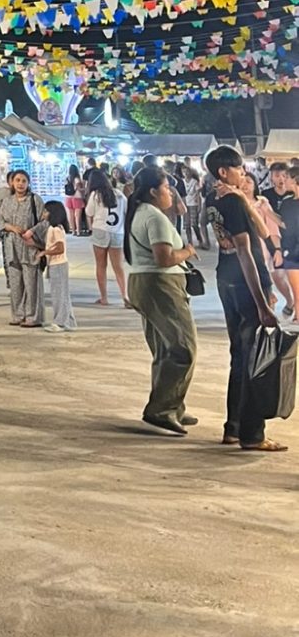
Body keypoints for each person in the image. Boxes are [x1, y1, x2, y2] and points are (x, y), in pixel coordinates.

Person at [205, 145, 284, 452]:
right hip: (243, 286)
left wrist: (242, 199)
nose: (243, 173)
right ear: (223, 171)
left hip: (226, 281)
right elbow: (243, 251)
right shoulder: (232, 202)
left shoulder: (217, 198)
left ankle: (233, 428)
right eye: (238, 169)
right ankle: (253, 434)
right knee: (254, 361)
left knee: (239, 356)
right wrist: (263, 304)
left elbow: (263, 232)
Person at [123, 163, 199, 436]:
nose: (170, 192)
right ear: (154, 191)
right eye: (167, 187)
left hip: (144, 283)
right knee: (182, 348)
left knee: (164, 350)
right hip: (160, 284)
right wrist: (188, 251)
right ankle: (162, 409)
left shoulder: (141, 212)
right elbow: (164, 258)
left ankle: (172, 405)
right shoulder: (153, 217)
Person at [0, 169, 46, 328]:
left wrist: (32, 232)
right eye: (17, 180)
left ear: (28, 183)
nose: (21, 184)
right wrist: (10, 227)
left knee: (31, 283)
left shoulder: (35, 200)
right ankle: (17, 314)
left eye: (24, 181)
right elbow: (0, 220)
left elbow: (45, 221)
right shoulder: (7, 201)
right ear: (12, 183)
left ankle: (32, 316)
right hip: (12, 248)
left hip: (29, 247)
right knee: (16, 283)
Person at [85, 166, 128, 307]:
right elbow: (126, 212)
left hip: (100, 230)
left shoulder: (95, 195)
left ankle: (104, 297)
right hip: (117, 232)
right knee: (118, 267)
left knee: (101, 266)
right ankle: (125, 295)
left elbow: (89, 213)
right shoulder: (120, 194)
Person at [35, 200, 76, 330]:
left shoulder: (54, 229)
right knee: (63, 293)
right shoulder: (58, 228)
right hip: (58, 264)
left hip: (57, 264)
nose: (44, 213)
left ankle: (60, 322)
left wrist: (44, 253)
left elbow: (60, 248)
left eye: (46, 211)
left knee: (58, 294)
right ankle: (69, 321)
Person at [270, 161, 299, 322]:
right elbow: (283, 223)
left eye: (287, 177)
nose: (283, 180)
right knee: (297, 291)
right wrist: (266, 210)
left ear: (295, 180)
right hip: (292, 251)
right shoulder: (287, 202)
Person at [63, 165, 85, 237]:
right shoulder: (77, 179)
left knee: (70, 215)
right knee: (77, 216)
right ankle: (78, 231)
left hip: (68, 198)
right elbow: (79, 189)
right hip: (77, 198)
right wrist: (85, 189)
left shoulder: (67, 178)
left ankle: (73, 231)